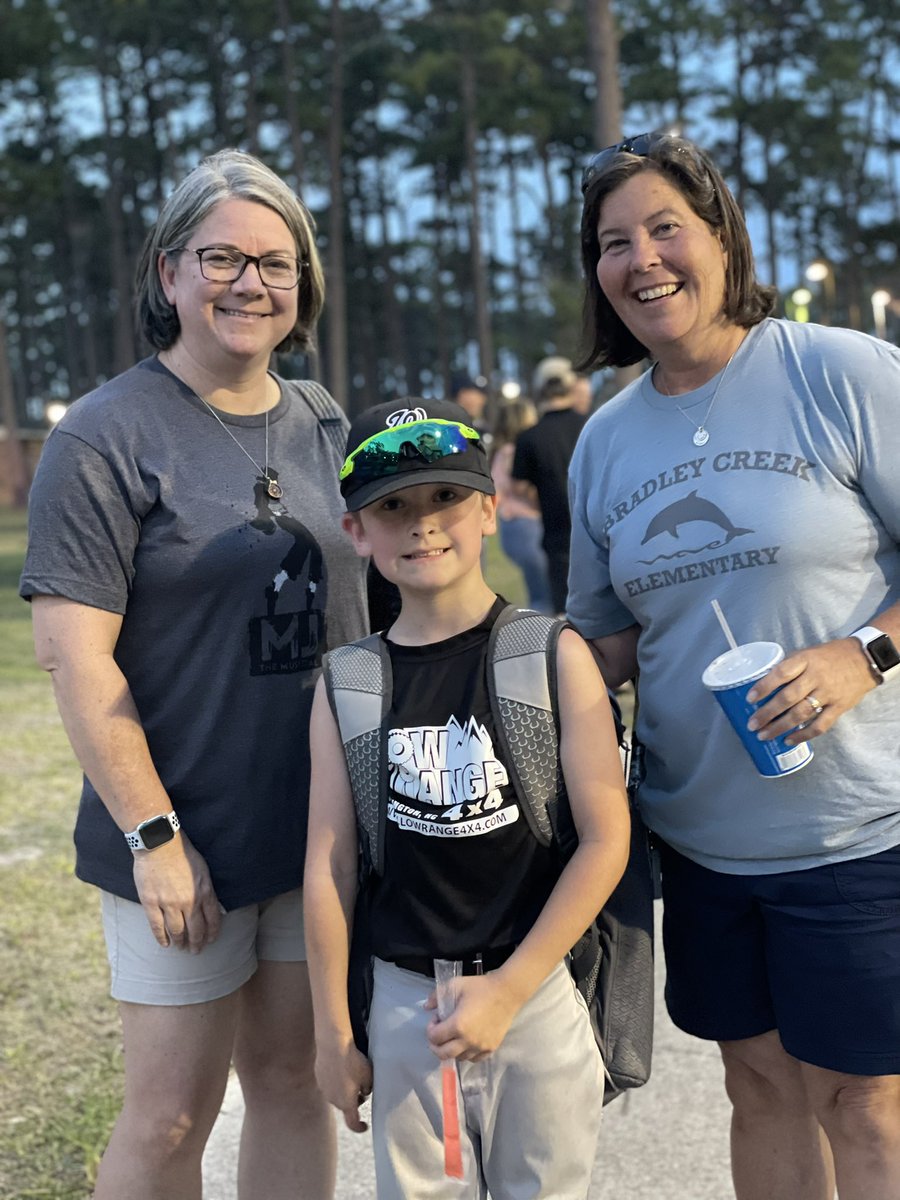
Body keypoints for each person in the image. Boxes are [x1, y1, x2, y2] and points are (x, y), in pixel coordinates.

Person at [18, 149, 368, 1200]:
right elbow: (74, 660)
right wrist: (156, 839)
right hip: (178, 837)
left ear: (302, 284)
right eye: (221, 258)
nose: (249, 283)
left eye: (275, 262)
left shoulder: (321, 418)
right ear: (169, 272)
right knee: (171, 1116)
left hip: (312, 832)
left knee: (296, 1083)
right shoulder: (101, 436)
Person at [570, 131, 900, 1200]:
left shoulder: (838, 370)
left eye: (667, 225)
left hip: (859, 832)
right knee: (755, 1086)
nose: (644, 257)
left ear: (723, 236)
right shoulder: (603, 441)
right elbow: (606, 638)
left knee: (868, 1101)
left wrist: (866, 653)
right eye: (615, 242)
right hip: (702, 842)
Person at [303, 398, 630, 1199]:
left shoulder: (550, 655)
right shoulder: (349, 682)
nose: (422, 525)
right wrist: (333, 1032)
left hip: (537, 998)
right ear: (357, 532)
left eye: (445, 497)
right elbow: (329, 864)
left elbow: (605, 838)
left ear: (488, 508)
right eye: (393, 507)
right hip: (408, 1012)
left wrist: (512, 988)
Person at [511, 356, 586, 613]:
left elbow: (519, 487)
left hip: (557, 538)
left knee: (567, 614)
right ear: (570, 386)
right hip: (598, 532)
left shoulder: (529, 437)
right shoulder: (591, 425)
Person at [490, 396, 552, 613]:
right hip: (525, 523)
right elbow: (520, 486)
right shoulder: (513, 453)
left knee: (539, 590)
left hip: (513, 526)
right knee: (544, 594)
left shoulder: (501, 451)